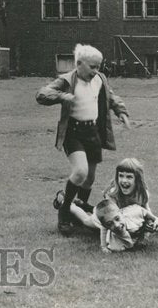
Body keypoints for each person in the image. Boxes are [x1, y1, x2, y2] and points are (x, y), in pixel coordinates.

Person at [37, 43, 130, 235]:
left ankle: (76, 210)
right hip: (73, 132)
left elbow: (111, 97)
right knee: (80, 172)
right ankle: (64, 213)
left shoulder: (100, 80)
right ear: (79, 64)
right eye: (92, 67)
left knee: (89, 179)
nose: (96, 71)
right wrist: (62, 96)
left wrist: (121, 111)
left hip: (93, 132)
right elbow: (42, 94)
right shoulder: (67, 80)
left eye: (98, 67)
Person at [67, 158, 158, 251]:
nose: (124, 181)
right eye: (121, 176)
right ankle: (69, 205)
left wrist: (155, 222)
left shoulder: (142, 193)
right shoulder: (112, 194)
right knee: (87, 221)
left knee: (151, 226)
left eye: (129, 177)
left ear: (137, 180)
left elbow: (146, 211)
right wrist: (104, 245)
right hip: (109, 219)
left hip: (125, 220)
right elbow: (107, 223)